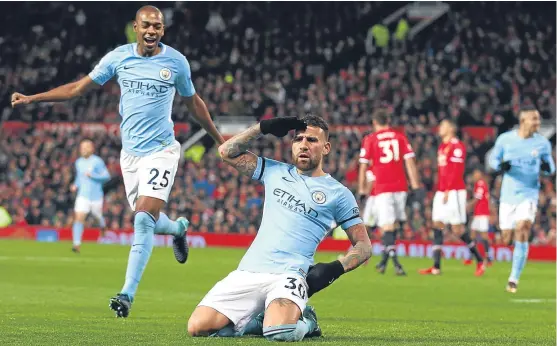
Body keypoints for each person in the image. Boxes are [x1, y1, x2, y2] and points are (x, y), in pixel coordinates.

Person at [11, 5, 224, 317]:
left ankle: (127, 293)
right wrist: (32, 98)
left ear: (162, 31)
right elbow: (76, 90)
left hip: (162, 150)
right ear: (135, 28)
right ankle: (178, 229)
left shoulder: (176, 63)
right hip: (131, 156)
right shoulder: (118, 58)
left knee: (141, 219)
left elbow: (193, 103)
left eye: (157, 26)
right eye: (146, 25)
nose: (152, 31)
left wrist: (219, 139)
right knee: (147, 220)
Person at [187, 115, 372, 341]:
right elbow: (226, 151)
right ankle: (256, 321)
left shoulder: (339, 193)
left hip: (290, 274)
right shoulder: (274, 171)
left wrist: (334, 269)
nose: (303, 145)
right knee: (197, 327)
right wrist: (262, 127)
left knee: (279, 332)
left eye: (312, 140)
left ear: (326, 148)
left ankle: (307, 323)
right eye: (298, 139)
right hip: (249, 271)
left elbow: (363, 246)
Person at [488, 106, 555, 293]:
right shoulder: (505, 139)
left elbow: (551, 168)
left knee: (523, 227)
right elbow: (493, 160)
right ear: (523, 121)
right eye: (535, 119)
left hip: (529, 193)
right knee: (507, 239)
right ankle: (513, 256)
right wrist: (501, 166)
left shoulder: (542, 143)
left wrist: (546, 167)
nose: (538, 123)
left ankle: (513, 279)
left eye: (539, 120)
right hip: (508, 196)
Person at [358, 109, 423, 276]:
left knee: (387, 227)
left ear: (374, 123)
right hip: (401, 187)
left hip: (383, 187)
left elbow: (364, 165)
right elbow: (410, 162)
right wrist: (416, 186)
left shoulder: (370, 139)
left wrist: (361, 189)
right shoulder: (400, 137)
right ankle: (384, 263)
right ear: (388, 121)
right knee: (393, 225)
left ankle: (397, 264)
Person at [419, 119, 485, 276]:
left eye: (443, 126)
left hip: (454, 191)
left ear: (451, 129)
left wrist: (448, 189)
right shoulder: (442, 146)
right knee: (437, 225)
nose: (440, 128)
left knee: (457, 229)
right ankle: (436, 266)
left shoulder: (457, 146)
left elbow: (456, 170)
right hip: (442, 191)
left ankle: (480, 260)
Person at [70, 139, 110, 253]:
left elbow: (106, 176)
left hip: (96, 196)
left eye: (86, 147)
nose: (83, 150)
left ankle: (102, 226)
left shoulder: (97, 161)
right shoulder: (78, 162)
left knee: (97, 217)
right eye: (82, 147)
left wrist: (93, 175)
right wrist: (75, 185)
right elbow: (79, 178)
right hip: (83, 195)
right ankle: (76, 244)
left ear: (92, 149)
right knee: (78, 218)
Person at [463, 169, 493, 266]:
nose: (474, 176)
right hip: (478, 213)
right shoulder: (479, 184)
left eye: (476, 174)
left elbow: (477, 198)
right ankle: (471, 257)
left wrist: (468, 206)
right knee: (472, 235)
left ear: (480, 174)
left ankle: (488, 258)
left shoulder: (480, 184)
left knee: (484, 235)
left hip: (482, 213)